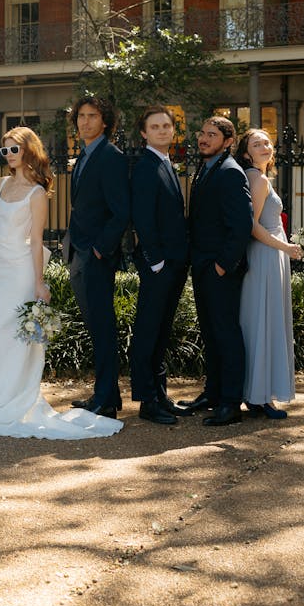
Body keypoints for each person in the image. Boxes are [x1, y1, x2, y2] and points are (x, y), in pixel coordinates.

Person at [0, 128, 123, 440]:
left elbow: (37, 240)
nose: (8, 156)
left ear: (28, 152)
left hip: (22, 272)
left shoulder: (37, 193)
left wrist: (39, 283)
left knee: (16, 339)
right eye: (4, 151)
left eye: (14, 150)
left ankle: (12, 402)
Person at [177, 116, 253, 426]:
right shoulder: (206, 169)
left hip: (221, 269)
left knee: (226, 333)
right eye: (203, 133)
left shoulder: (230, 173)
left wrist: (224, 265)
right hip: (203, 266)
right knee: (210, 332)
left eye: (212, 135)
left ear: (228, 142)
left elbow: (242, 225)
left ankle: (231, 404)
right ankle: (213, 393)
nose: (204, 139)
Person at [63, 94, 129, 419]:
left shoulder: (111, 156)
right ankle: (106, 395)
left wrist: (101, 249)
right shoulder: (85, 155)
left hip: (96, 255)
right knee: (95, 326)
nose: (85, 121)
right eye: (81, 116)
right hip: (79, 251)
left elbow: (122, 211)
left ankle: (105, 400)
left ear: (105, 121)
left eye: (92, 116)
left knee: (102, 326)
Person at [129, 107, 189, 426]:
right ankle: (147, 400)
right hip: (159, 264)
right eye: (155, 126)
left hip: (175, 262)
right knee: (148, 330)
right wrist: (156, 261)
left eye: (167, 125)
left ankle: (159, 393)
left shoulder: (166, 162)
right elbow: (143, 217)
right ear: (144, 133)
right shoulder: (145, 167)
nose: (163, 130)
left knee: (162, 330)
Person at [234, 128, 300, 419]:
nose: (264, 146)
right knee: (262, 320)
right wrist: (285, 247)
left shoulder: (260, 177)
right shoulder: (257, 179)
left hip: (272, 255)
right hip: (265, 255)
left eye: (267, 142)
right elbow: (253, 226)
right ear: (246, 152)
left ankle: (257, 392)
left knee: (264, 319)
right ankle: (258, 396)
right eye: (256, 143)